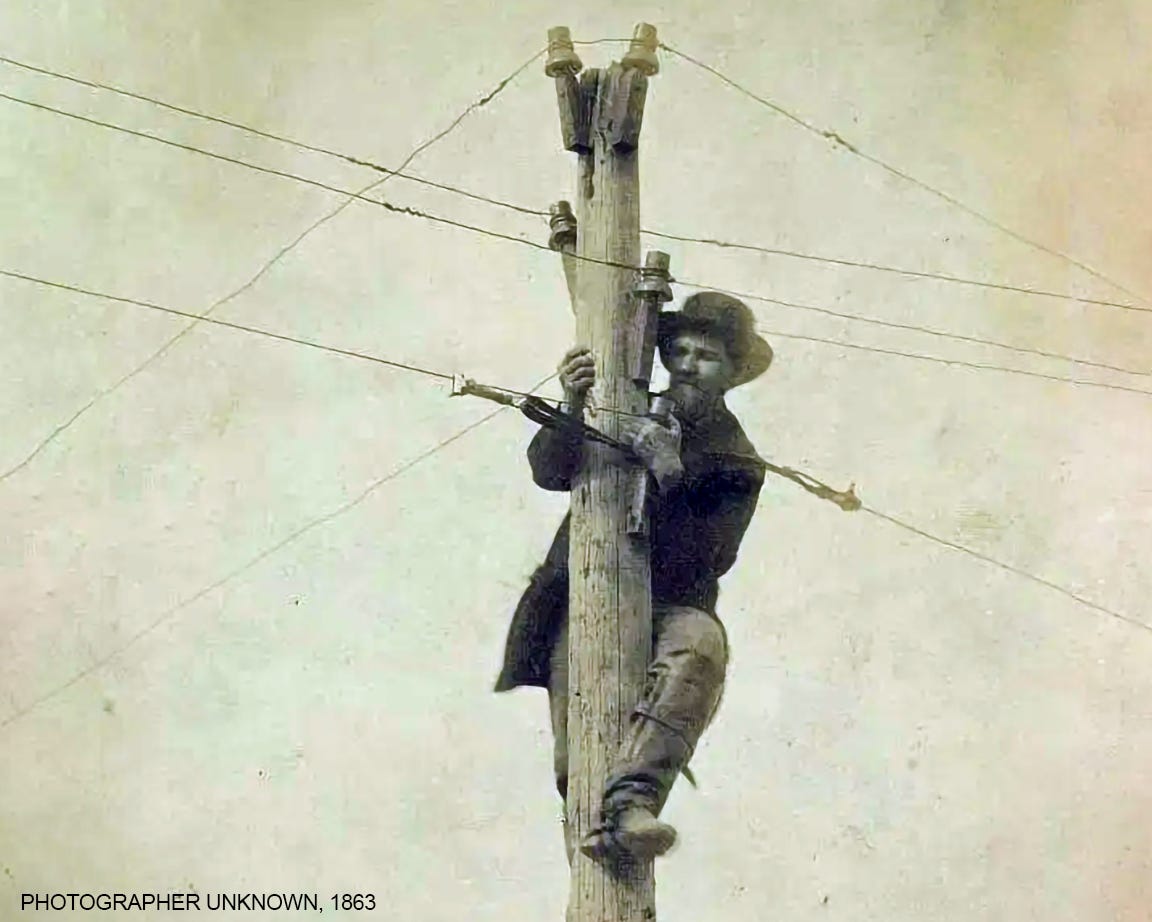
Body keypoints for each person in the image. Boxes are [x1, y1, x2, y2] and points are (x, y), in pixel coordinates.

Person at [494, 291, 772, 863]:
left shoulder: (737, 459)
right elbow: (549, 471)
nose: (689, 365)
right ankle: (596, 850)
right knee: (580, 760)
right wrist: (574, 401)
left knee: (700, 647)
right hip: (586, 595)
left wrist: (671, 470)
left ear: (733, 373)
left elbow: (713, 555)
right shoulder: (623, 402)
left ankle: (633, 804)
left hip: (672, 602)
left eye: (708, 357)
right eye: (681, 351)